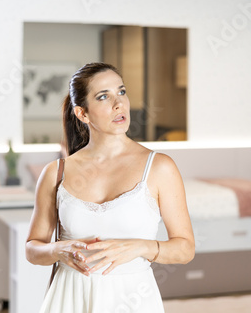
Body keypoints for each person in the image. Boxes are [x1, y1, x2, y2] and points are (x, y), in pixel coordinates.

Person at [26, 62, 195, 312]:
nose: (119, 104)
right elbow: (32, 249)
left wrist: (140, 246)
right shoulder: (56, 173)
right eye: (104, 96)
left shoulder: (160, 168)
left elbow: (185, 249)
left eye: (122, 92)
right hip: (70, 299)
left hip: (132, 299)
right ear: (82, 113)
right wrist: (58, 249)